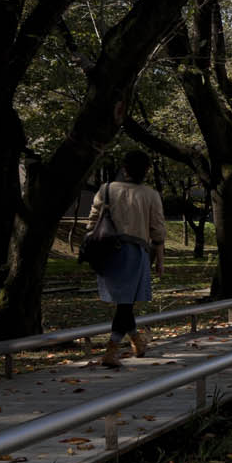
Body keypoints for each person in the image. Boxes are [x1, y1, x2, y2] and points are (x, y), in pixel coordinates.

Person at [88, 150, 166, 368]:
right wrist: (160, 260)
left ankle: (137, 342)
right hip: (134, 253)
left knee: (124, 303)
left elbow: (92, 221)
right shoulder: (150, 195)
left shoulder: (106, 190)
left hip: (107, 253)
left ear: (125, 168)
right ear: (146, 170)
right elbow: (158, 232)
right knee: (125, 304)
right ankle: (111, 351)